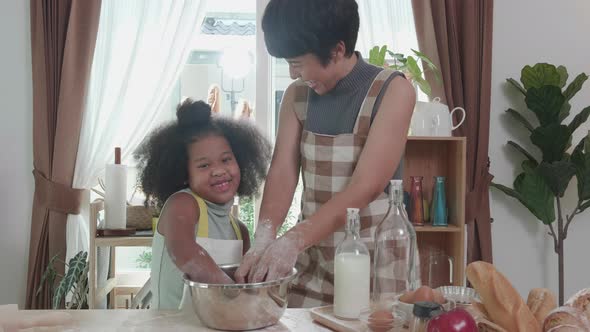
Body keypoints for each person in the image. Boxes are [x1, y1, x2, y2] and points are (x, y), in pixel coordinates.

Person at [234, 0, 416, 308]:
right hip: (313, 260)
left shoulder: (393, 90)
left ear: (336, 50)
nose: (293, 74)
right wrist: (264, 238)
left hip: (374, 264)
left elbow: (365, 187)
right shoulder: (297, 96)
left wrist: (293, 240)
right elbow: (283, 172)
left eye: (297, 63)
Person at [135, 99, 271, 309]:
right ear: (184, 172)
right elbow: (185, 252)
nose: (218, 170)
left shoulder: (240, 230)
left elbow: (245, 283)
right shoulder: (182, 204)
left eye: (226, 160)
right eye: (204, 165)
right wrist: (231, 291)